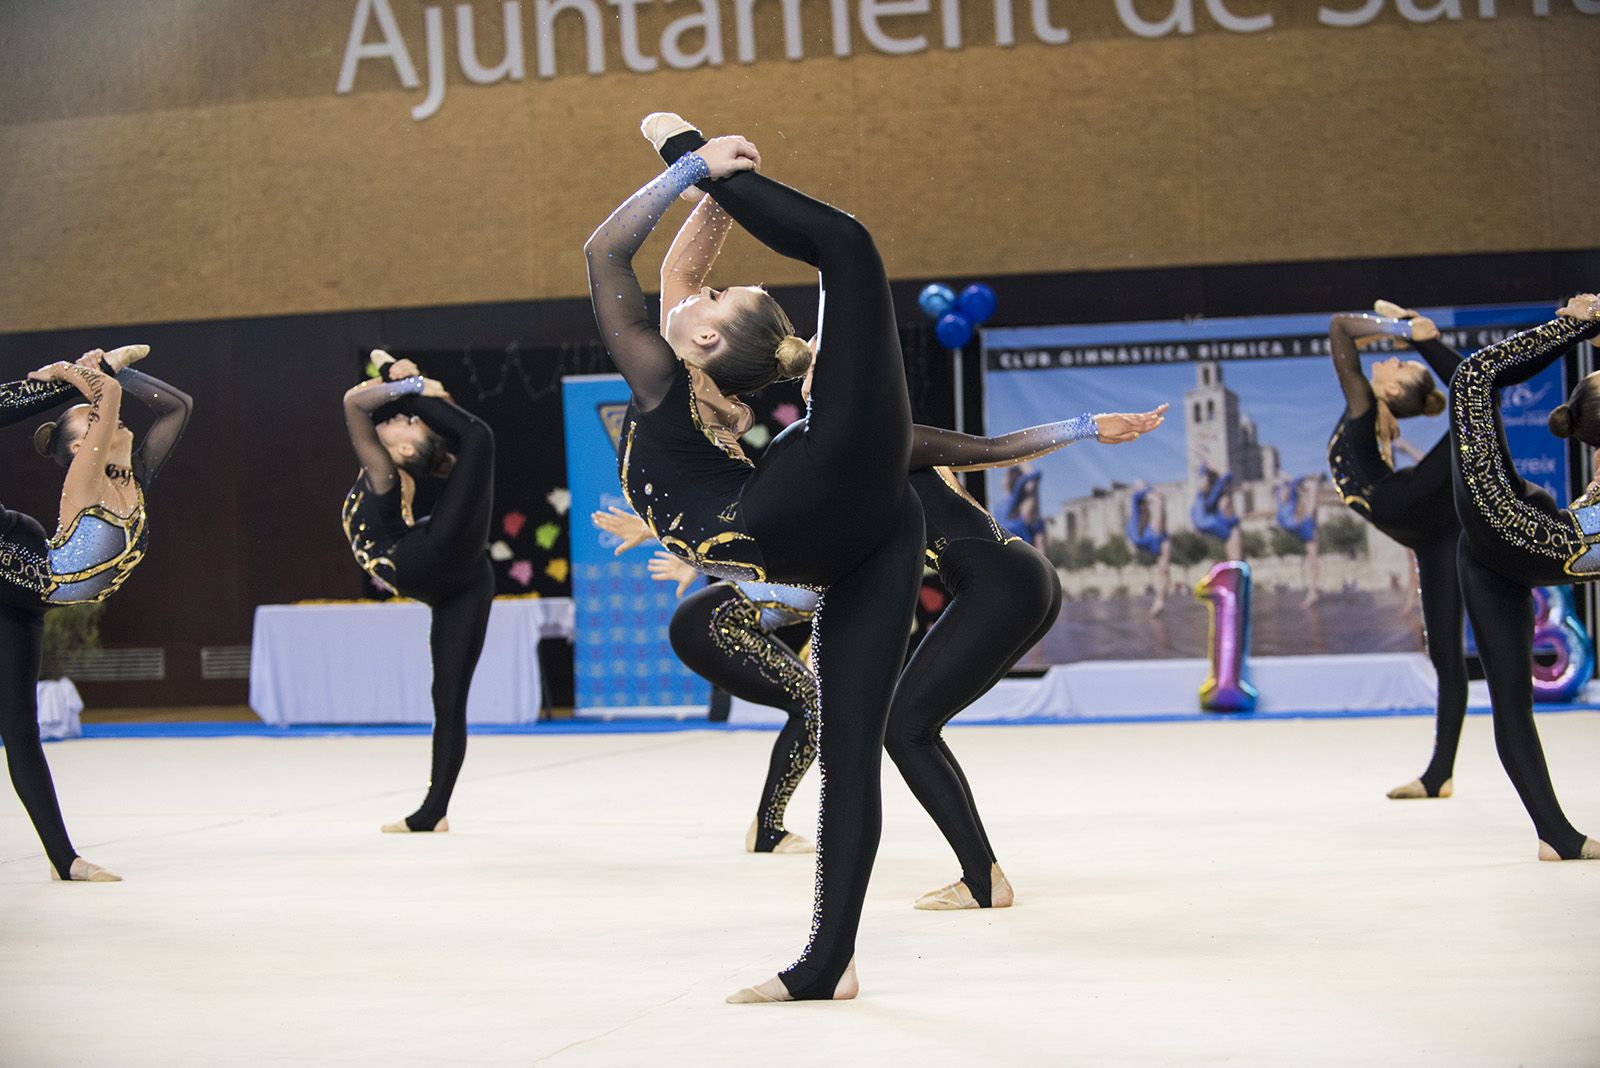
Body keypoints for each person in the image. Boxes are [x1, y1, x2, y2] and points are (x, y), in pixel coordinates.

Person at [2, 344, 191, 881]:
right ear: (84, 442)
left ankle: (67, 861)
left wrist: (123, 370)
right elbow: (104, 392)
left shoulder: (135, 479)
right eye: (90, 420)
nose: (108, 418)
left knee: (19, 732)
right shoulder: (86, 478)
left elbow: (177, 407)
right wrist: (82, 370)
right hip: (13, 566)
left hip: (24, 594)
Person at [1448, 294, 1600, 860]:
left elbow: (1478, 373)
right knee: (1510, 697)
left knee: (1472, 379)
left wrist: (1574, 326)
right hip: (1522, 535)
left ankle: (1555, 835)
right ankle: (1556, 837)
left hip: (1510, 534)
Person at [341, 353, 495, 834]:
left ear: (406, 452)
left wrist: (407, 381)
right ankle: (434, 812)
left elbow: (355, 404)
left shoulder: (385, 470)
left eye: (411, 420)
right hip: (442, 577)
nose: (404, 417)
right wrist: (405, 380)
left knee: (480, 439)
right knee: (445, 697)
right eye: (408, 418)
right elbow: (365, 403)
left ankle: (433, 811)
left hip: (433, 564)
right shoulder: (387, 469)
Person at [1325, 303, 1465, 799]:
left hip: (1406, 502)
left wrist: (1406, 332)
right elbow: (1348, 329)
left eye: (1400, 364)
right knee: (1446, 654)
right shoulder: (1369, 411)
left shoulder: (1362, 401)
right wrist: (1400, 329)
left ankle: (1439, 772)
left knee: (1475, 411)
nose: (1391, 359)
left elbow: (1340, 326)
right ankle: (1439, 776)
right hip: (1427, 530)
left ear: (1391, 389)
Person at [1275, 474, 1324, 607]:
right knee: (1309, 501)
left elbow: (1297, 482)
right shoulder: (1281, 492)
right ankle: (1312, 592)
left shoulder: (1291, 489)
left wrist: (1300, 480)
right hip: (1295, 524)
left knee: (1312, 559)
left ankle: (1313, 592)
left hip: (1303, 524)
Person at [1126, 481, 1172, 616]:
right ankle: (1160, 601)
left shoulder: (1149, 512)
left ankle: (1160, 601)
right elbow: (1137, 494)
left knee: (1164, 570)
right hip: (1142, 538)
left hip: (1158, 539)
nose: (1146, 505)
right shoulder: (1136, 503)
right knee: (1158, 505)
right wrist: (1150, 489)